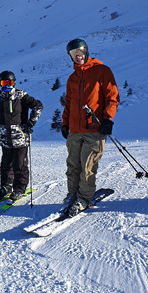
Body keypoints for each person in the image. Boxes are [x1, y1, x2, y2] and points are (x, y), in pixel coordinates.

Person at [61, 38, 119, 217]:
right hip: (75, 130)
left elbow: (112, 97)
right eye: (73, 54)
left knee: (87, 166)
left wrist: (108, 118)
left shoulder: (102, 71)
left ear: (86, 51)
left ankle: (84, 197)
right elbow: (69, 103)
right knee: (73, 165)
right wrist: (65, 123)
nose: (77, 56)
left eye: (80, 52)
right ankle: (72, 194)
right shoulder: (73, 78)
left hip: (95, 128)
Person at [0, 71, 43, 202]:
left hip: (20, 137)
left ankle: (19, 189)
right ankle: (6, 186)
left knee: (19, 164)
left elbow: (37, 106)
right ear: (0, 83)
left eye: (9, 83)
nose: (7, 86)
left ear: (14, 83)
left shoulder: (21, 95)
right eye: (4, 83)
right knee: (6, 163)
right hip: (5, 137)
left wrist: (30, 123)